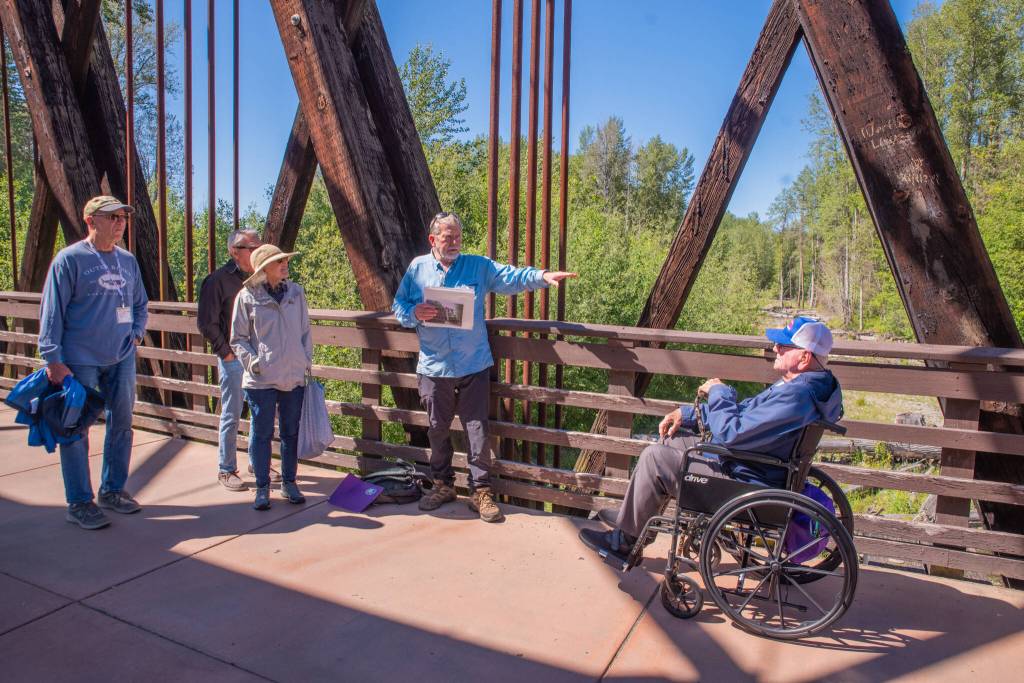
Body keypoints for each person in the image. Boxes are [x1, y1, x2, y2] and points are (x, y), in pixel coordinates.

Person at [579, 316, 843, 560]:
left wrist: (719, 392)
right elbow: (747, 416)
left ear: (805, 357)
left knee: (655, 459)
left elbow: (732, 432)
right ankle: (634, 520)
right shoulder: (807, 387)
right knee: (671, 440)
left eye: (783, 346)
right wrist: (687, 414)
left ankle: (624, 543)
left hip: (746, 479)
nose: (775, 348)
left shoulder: (796, 396)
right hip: (755, 466)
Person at [392, 211, 577, 523]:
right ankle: (442, 485)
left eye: (458, 237)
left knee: (477, 430)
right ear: (432, 239)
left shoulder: (477, 265)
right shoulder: (417, 268)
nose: (454, 243)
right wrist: (414, 312)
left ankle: (481, 492)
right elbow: (398, 306)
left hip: (473, 364)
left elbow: (509, 277)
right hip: (434, 366)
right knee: (437, 430)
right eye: (447, 237)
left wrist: (543, 276)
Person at [38, 196, 149, 530]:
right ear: (90, 221)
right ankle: (79, 501)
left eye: (123, 217)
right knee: (75, 429)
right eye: (111, 217)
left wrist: (138, 334)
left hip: (121, 356)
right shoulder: (69, 260)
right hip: (79, 360)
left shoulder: (128, 261)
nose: (120, 222)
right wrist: (53, 358)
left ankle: (112, 490)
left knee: (122, 424)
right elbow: (52, 312)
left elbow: (141, 304)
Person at [198, 229, 282, 491]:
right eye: (251, 247)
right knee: (232, 413)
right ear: (234, 251)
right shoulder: (217, 281)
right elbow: (206, 323)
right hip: (234, 360)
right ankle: (226, 469)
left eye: (259, 246)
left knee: (261, 413)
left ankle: (258, 463)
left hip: (259, 360)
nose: (256, 251)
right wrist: (227, 353)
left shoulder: (260, 279)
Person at [230, 244, 313, 511]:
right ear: (264, 268)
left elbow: (305, 332)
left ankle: (289, 483)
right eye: (279, 260)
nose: (285, 263)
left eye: (285, 259)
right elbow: (238, 339)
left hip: (292, 374)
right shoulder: (247, 297)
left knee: (291, 432)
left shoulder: (296, 293)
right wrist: (253, 363)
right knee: (262, 434)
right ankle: (263, 488)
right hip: (261, 378)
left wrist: (304, 360)